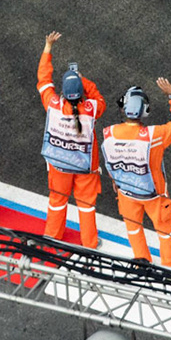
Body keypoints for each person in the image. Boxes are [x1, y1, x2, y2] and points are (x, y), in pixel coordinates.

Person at [102, 78, 171, 266]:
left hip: (126, 192)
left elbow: (111, 163)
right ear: (144, 111)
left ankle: (141, 258)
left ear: (123, 109)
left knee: (133, 228)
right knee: (166, 232)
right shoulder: (153, 135)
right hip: (154, 195)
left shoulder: (109, 132)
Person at [36, 32, 107, 247]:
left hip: (60, 165)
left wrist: (48, 47)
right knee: (86, 205)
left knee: (57, 201)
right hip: (86, 166)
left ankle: (53, 235)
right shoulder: (92, 109)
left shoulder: (53, 105)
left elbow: (43, 80)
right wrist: (81, 79)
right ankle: (90, 242)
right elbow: (98, 97)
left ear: (63, 93)